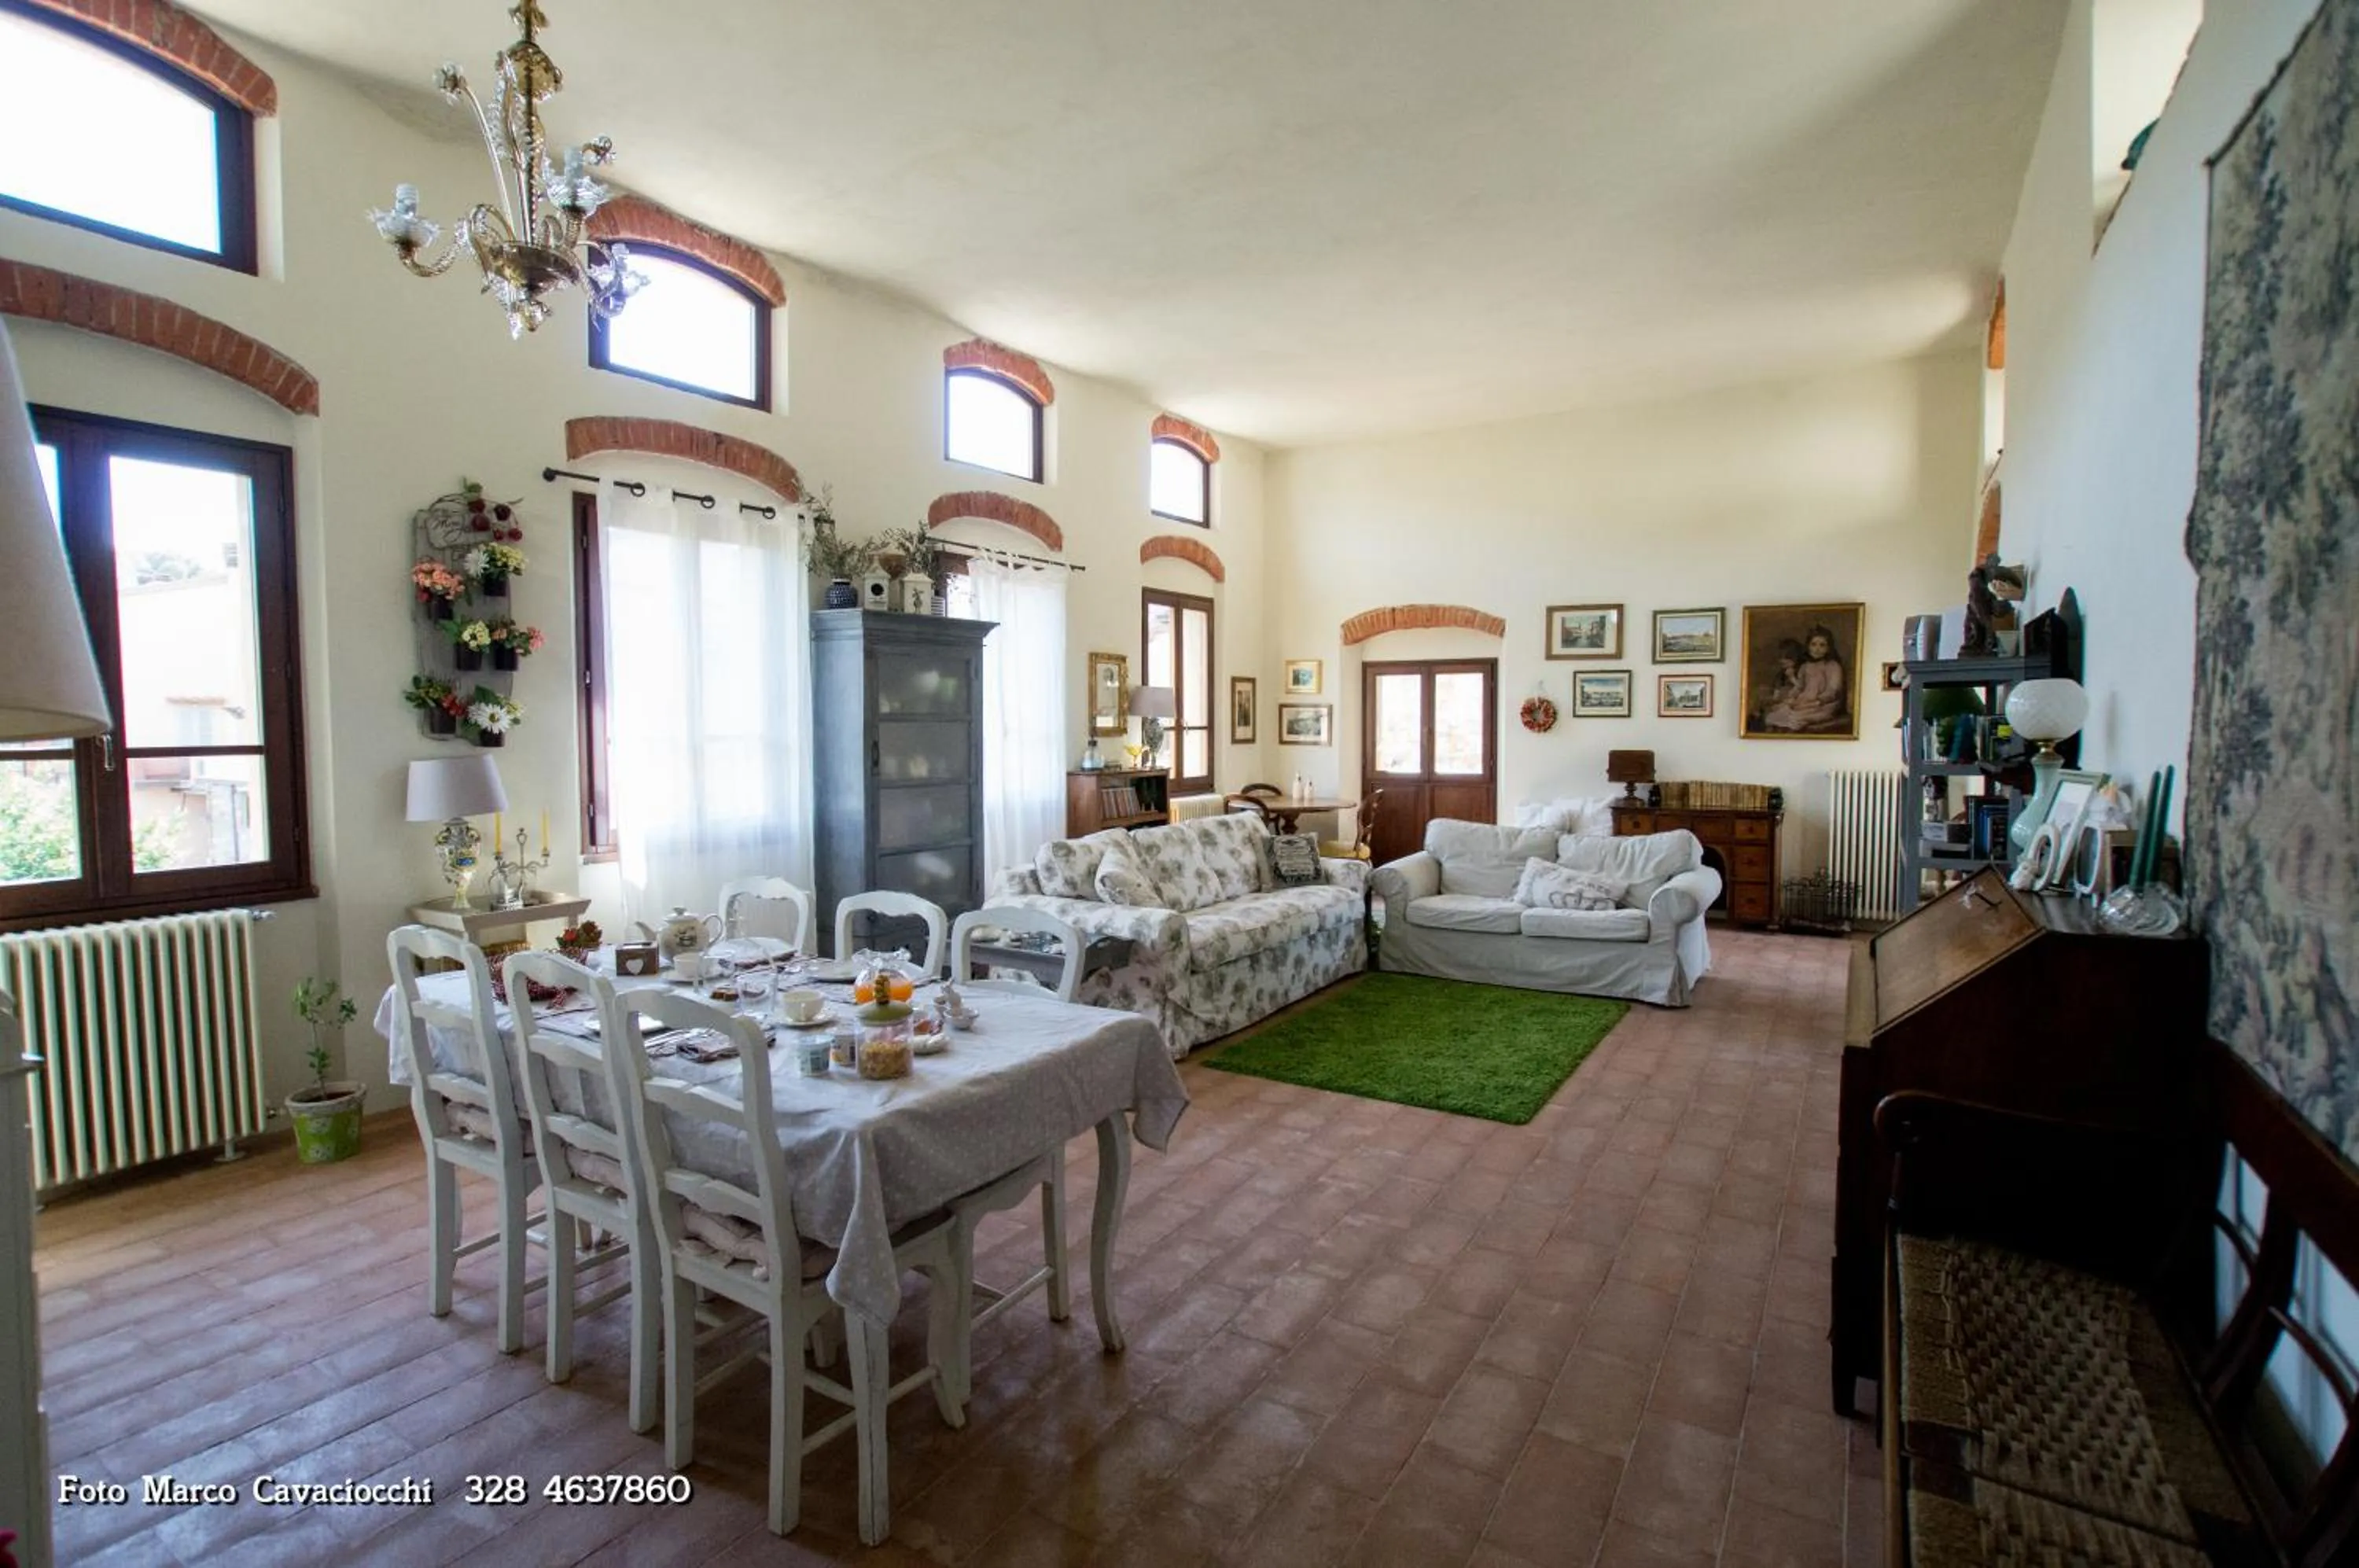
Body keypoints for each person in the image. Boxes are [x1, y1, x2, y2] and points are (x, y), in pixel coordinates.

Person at [1762, 625, 1848, 731]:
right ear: (1808, 646)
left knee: (1796, 719)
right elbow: (1799, 687)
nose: (1817, 649)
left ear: (1828, 648)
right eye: (1813, 645)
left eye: (1822, 645)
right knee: (1774, 715)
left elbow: (1833, 691)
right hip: (1803, 702)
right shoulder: (1805, 666)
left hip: (1822, 705)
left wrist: (1816, 701)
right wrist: (1792, 697)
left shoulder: (1833, 666)